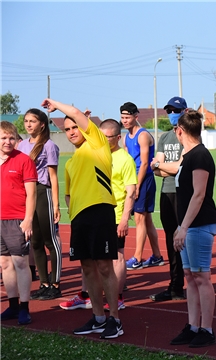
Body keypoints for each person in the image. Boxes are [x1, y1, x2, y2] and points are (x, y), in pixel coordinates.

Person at [42, 98, 123, 339]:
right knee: (87, 268)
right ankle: (98, 318)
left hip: (100, 211)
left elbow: (76, 113)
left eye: (74, 127)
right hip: (79, 218)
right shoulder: (71, 162)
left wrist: (56, 105)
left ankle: (115, 320)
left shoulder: (97, 143)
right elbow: (68, 195)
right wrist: (74, 214)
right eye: (66, 130)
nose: (70, 132)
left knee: (104, 267)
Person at [167, 110, 216, 348]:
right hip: (188, 226)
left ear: (180, 131)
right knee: (190, 276)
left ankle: (206, 329)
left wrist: (183, 227)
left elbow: (199, 195)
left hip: (198, 225)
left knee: (201, 276)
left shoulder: (199, 155)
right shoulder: (188, 156)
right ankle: (193, 326)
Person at [17, 109, 62, 301]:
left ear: (42, 124)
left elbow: (53, 176)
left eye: (32, 121)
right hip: (28, 194)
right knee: (34, 241)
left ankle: (56, 283)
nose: (28, 124)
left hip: (43, 192)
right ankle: (43, 283)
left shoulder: (49, 146)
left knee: (50, 240)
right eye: (26, 121)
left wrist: (57, 205)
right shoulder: (21, 146)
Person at [149, 96, 187, 302]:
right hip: (166, 193)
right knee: (170, 239)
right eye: (169, 111)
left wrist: (160, 166)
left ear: (184, 111)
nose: (172, 114)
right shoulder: (164, 137)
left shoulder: (188, 135)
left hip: (183, 193)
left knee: (184, 239)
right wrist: (164, 167)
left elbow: (178, 167)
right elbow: (157, 170)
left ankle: (187, 283)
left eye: (175, 110)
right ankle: (175, 285)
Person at [0, 121, 37, 325]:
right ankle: (13, 306)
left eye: (11, 138)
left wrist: (28, 219)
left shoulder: (24, 160)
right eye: (4, 138)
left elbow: (31, 194)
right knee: (5, 263)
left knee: (21, 262)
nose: (8, 141)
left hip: (17, 220)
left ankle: (24, 307)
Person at [120, 102, 163, 270]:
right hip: (133, 178)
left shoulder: (143, 135)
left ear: (135, 117)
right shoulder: (125, 137)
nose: (124, 120)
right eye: (122, 117)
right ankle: (157, 256)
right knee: (147, 220)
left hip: (144, 179)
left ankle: (137, 258)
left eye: (127, 117)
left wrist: (136, 186)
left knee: (139, 218)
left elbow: (145, 163)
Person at [100, 119, 137, 310]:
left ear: (118, 137)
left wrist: (124, 219)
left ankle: (118, 297)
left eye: (109, 137)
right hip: (98, 214)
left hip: (116, 215)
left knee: (117, 257)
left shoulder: (125, 159)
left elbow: (131, 191)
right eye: (102, 136)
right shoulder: (97, 156)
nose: (105, 140)